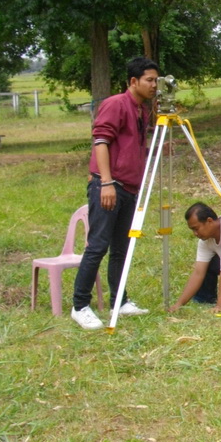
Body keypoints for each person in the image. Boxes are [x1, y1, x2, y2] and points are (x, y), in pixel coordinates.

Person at [70, 57, 159, 330]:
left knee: (122, 248)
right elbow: (101, 141)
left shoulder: (141, 110)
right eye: (150, 80)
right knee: (98, 246)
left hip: (130, 189)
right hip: (110, 187)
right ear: (133, 81)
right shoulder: (116, 104)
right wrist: (106, 182)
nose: (155, 85)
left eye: (156, 80)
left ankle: (119, 301)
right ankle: (80, 306)